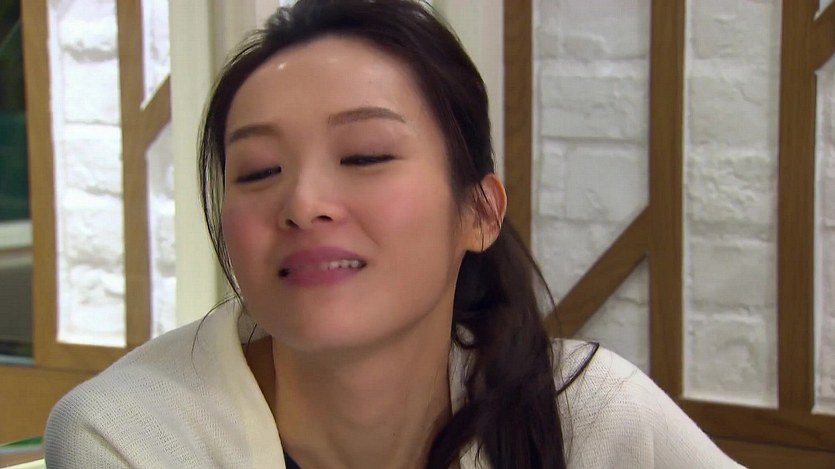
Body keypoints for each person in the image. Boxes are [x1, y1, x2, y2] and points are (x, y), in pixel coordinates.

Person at [44, 0, 743, 467]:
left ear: (479, 212)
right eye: (258, 170)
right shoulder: (130, 436)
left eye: (365, 156)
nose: (303, 203)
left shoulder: (585, 415)